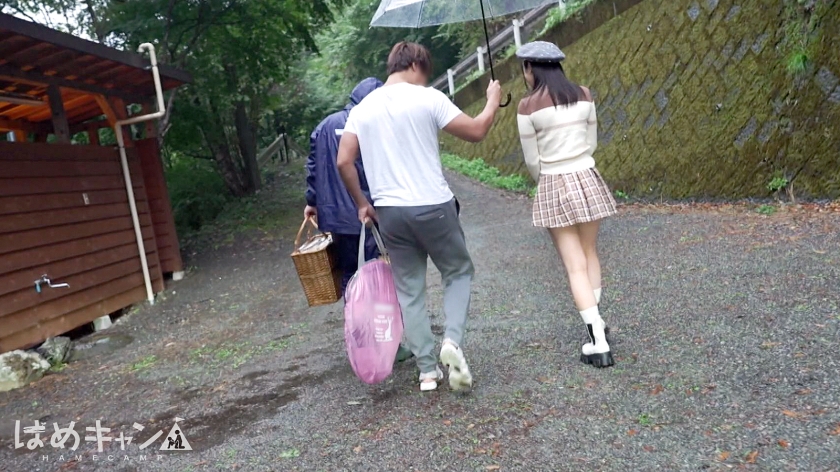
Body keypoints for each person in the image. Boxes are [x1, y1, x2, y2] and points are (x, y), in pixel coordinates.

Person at [336, 42, 502, 391]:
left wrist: (362, 202)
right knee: (457, 272)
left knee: (409, 289)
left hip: (390, 213)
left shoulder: (362, 109)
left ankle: (427, 371)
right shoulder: (429, 98)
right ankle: (451, 341)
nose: (425, 79)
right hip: (433, 205)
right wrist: (492, 100)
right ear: (414, 64)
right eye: (425, 72)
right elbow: (476, 131)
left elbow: (343, 160)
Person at [515, 41, 618, 368]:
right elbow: (592, 142)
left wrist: (545, 180)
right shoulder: (584, 94)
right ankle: (597, 324)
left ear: (530, 68)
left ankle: (598, 342)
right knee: (589, 254)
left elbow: (532, 160)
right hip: (587, 176)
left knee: (574, 265)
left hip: (553, 181)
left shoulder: (527, 107)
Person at [304, 77, 413, 362]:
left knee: (351, 276)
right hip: (368, 212)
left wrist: (311, 201)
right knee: (380, 277)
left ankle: (360, 340)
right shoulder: (370, 121)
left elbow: (313, 166)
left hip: (335, 218)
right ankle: (388, 345)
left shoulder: (324, 125)